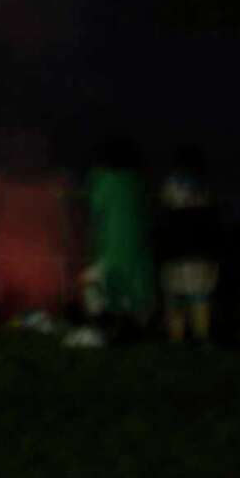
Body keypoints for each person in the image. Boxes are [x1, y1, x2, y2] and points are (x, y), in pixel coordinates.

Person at [68, 137, 156, 346]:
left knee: (89, 283)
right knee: (128, 294)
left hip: (110, 250)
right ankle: (126, 329)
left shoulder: (102, 179)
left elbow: (93, 207)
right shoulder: (139, 182)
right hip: (138, 254)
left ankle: (102, 327)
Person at [157, 145, 220, 344]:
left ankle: (177, 340)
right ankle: (202, 338)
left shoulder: (170, 186)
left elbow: (164, 212)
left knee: (175, 299)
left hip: (176, 251)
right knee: (200, 298)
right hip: (201, 252)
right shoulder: (206, 187)